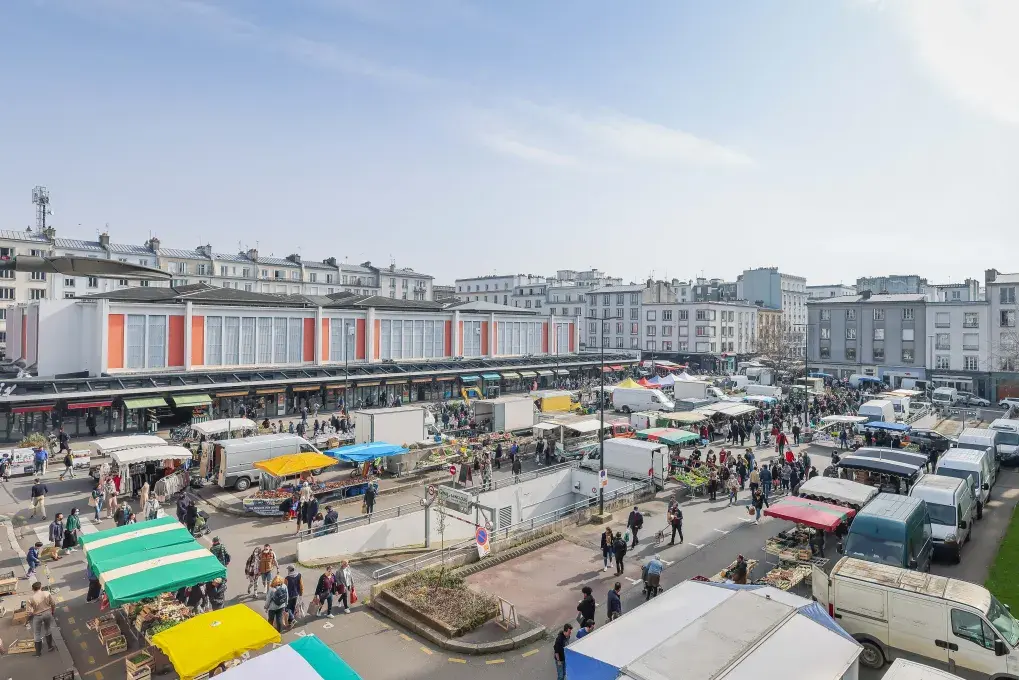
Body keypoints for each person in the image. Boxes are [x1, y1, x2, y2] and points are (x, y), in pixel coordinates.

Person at [27, 581, 56, 656]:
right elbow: (53, 604)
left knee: (37, 633)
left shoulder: (31, 598)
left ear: (33, 589)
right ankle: (50, 647)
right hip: (47, 613)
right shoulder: (47, 593)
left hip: (37, 616)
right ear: (40, 587)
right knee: (47, 629)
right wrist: (52, 612)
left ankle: (38, 653)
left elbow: (29, 612)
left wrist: (28, 620)